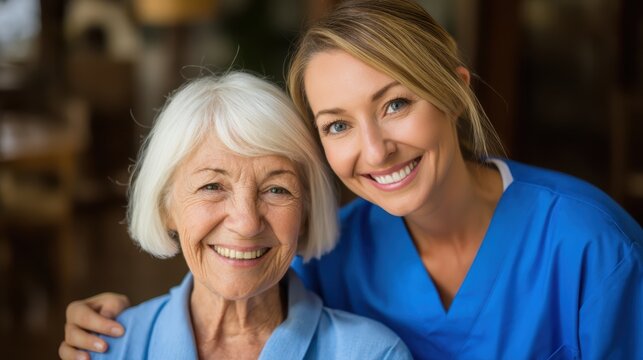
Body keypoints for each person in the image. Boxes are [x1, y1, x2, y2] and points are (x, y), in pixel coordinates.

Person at [61, 1, 643, 359]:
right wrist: (109, 328)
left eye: (395, 105)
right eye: (337, 124)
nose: (373, 149)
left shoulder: (593, 244)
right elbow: (233, 282)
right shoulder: (330, 252)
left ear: (455, 92)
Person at [59, 71, 412, 359]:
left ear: (306, 212)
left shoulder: (374, 353)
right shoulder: (103, 348)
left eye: (277, 190)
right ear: (166, 207)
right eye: (212, 186)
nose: (246, 222)